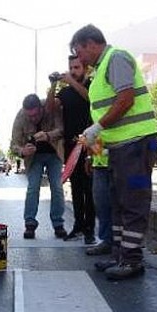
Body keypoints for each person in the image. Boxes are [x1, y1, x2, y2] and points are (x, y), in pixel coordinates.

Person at [70, 24, 157, 280]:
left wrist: (97, 127)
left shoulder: (116, 59)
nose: (80, 58)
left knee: (133, 202)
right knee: (119, 203)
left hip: (137, 143)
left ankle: (132, 259)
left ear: (91, 44)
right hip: (120, 147)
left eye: (80, 52)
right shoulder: (99, 70)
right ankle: (120, 255)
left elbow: (126, 99)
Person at [45, 55, 96, 243]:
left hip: (91, 144)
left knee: (89, 188)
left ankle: (90, 229)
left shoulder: (92, 85)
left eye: (77, 67)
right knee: (75, 187)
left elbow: (91, 99)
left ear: (85, 69)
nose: (73, 71)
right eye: (71, 68)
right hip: (71, 144)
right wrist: (52, 85)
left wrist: (72, 83)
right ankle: (78, 226)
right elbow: (50, 108)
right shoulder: (65, 92)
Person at [10, 93, 66, 240]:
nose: (33, 119)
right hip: (33, 158)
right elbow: (14, 143)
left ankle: (58, 223)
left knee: (57, 186)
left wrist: (48, 136)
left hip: (54, 153)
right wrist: (22, 151)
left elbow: (61, 129)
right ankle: (29, 223)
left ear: (41, 108)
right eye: (30, 116)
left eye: (35, 115)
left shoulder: (51, 107)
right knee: (33, 187)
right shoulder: (20, 116)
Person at [85, 150, 114, 256]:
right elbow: (96, 136)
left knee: (120, 205)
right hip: (100, 163)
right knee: (101, 204)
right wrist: (90, 156)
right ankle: (107, 241)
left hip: (121, 161)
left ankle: (124, 245)